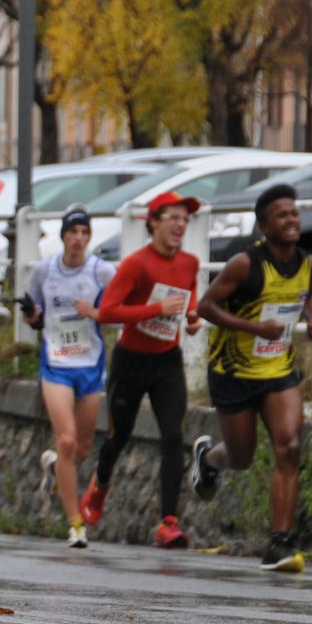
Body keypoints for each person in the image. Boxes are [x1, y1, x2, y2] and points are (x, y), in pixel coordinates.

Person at [191, 183, 312, 572]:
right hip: (232, 371)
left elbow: (307, 295)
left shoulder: (308, 263)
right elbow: (206, 307)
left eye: (295, 213)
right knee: (242, 457)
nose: (292, 220)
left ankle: (279, 544)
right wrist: (252, 328)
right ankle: (208, 458)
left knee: (290, 447)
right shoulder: (244, 265)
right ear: (264, 226)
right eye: (282, 215)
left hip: (278, 370)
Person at [79, 190, 203, 548]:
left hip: (167, 360)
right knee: (118, 437)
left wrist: (192, 316)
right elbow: (107, 312)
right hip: (130, 361)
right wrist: (157, 308)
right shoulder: (136, 264)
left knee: (173, 437)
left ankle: (167, 522)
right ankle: (100, 484)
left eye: (185, 219)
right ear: (154, 223)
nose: (180, 225)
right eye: (173, 218)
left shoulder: (190, 262)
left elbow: (189, 293)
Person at [23, 208, 116, 548]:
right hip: (56, 363)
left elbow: (117, 314)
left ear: (89, 238)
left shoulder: (102, 272)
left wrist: (97, 313)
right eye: (72, 231)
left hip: (90, 365)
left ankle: (53, 467)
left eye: (84, 232)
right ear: (63, 236)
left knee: (80, 449)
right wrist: (32, 316)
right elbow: (32, 313)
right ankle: (75, 524)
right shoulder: (44, 270)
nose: (78, 238)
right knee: (65, 440)